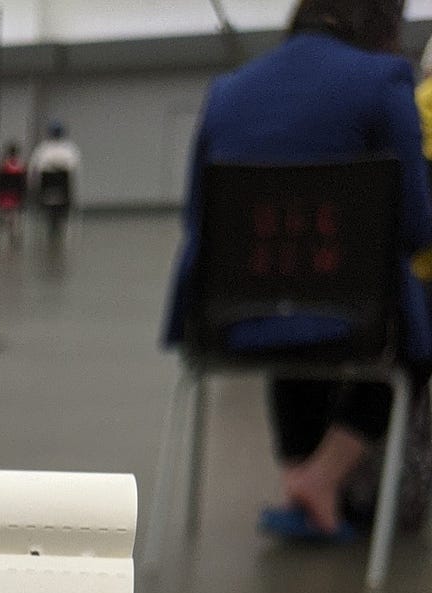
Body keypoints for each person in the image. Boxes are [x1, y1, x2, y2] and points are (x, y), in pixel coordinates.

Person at [165, 0, 432, 541]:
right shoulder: (383, 80)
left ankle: (302, 477)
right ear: (382, 23)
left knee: (285, 290)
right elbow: (416, 226)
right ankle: (321, 476)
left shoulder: (227, 91)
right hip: (356, 323)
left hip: (227, 321)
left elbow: (197, 217)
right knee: (409, 318)